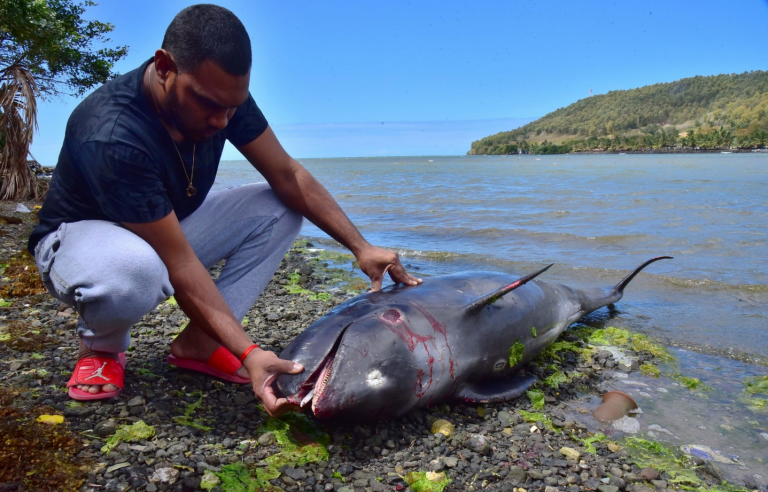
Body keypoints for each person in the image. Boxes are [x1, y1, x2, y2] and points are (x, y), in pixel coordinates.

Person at [28, 4, 421, 417]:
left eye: (232, 107)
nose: (221, 120)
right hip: (79, 241)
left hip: (162, 227)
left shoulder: (222, 97)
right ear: (164, 67)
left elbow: (287, 174)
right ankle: (100, 347)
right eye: (209, 105)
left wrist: (360, 246)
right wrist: (251, 353)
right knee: (136, 272)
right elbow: (177, 262)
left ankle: (201, 342)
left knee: (279, 208)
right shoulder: (112, 133)